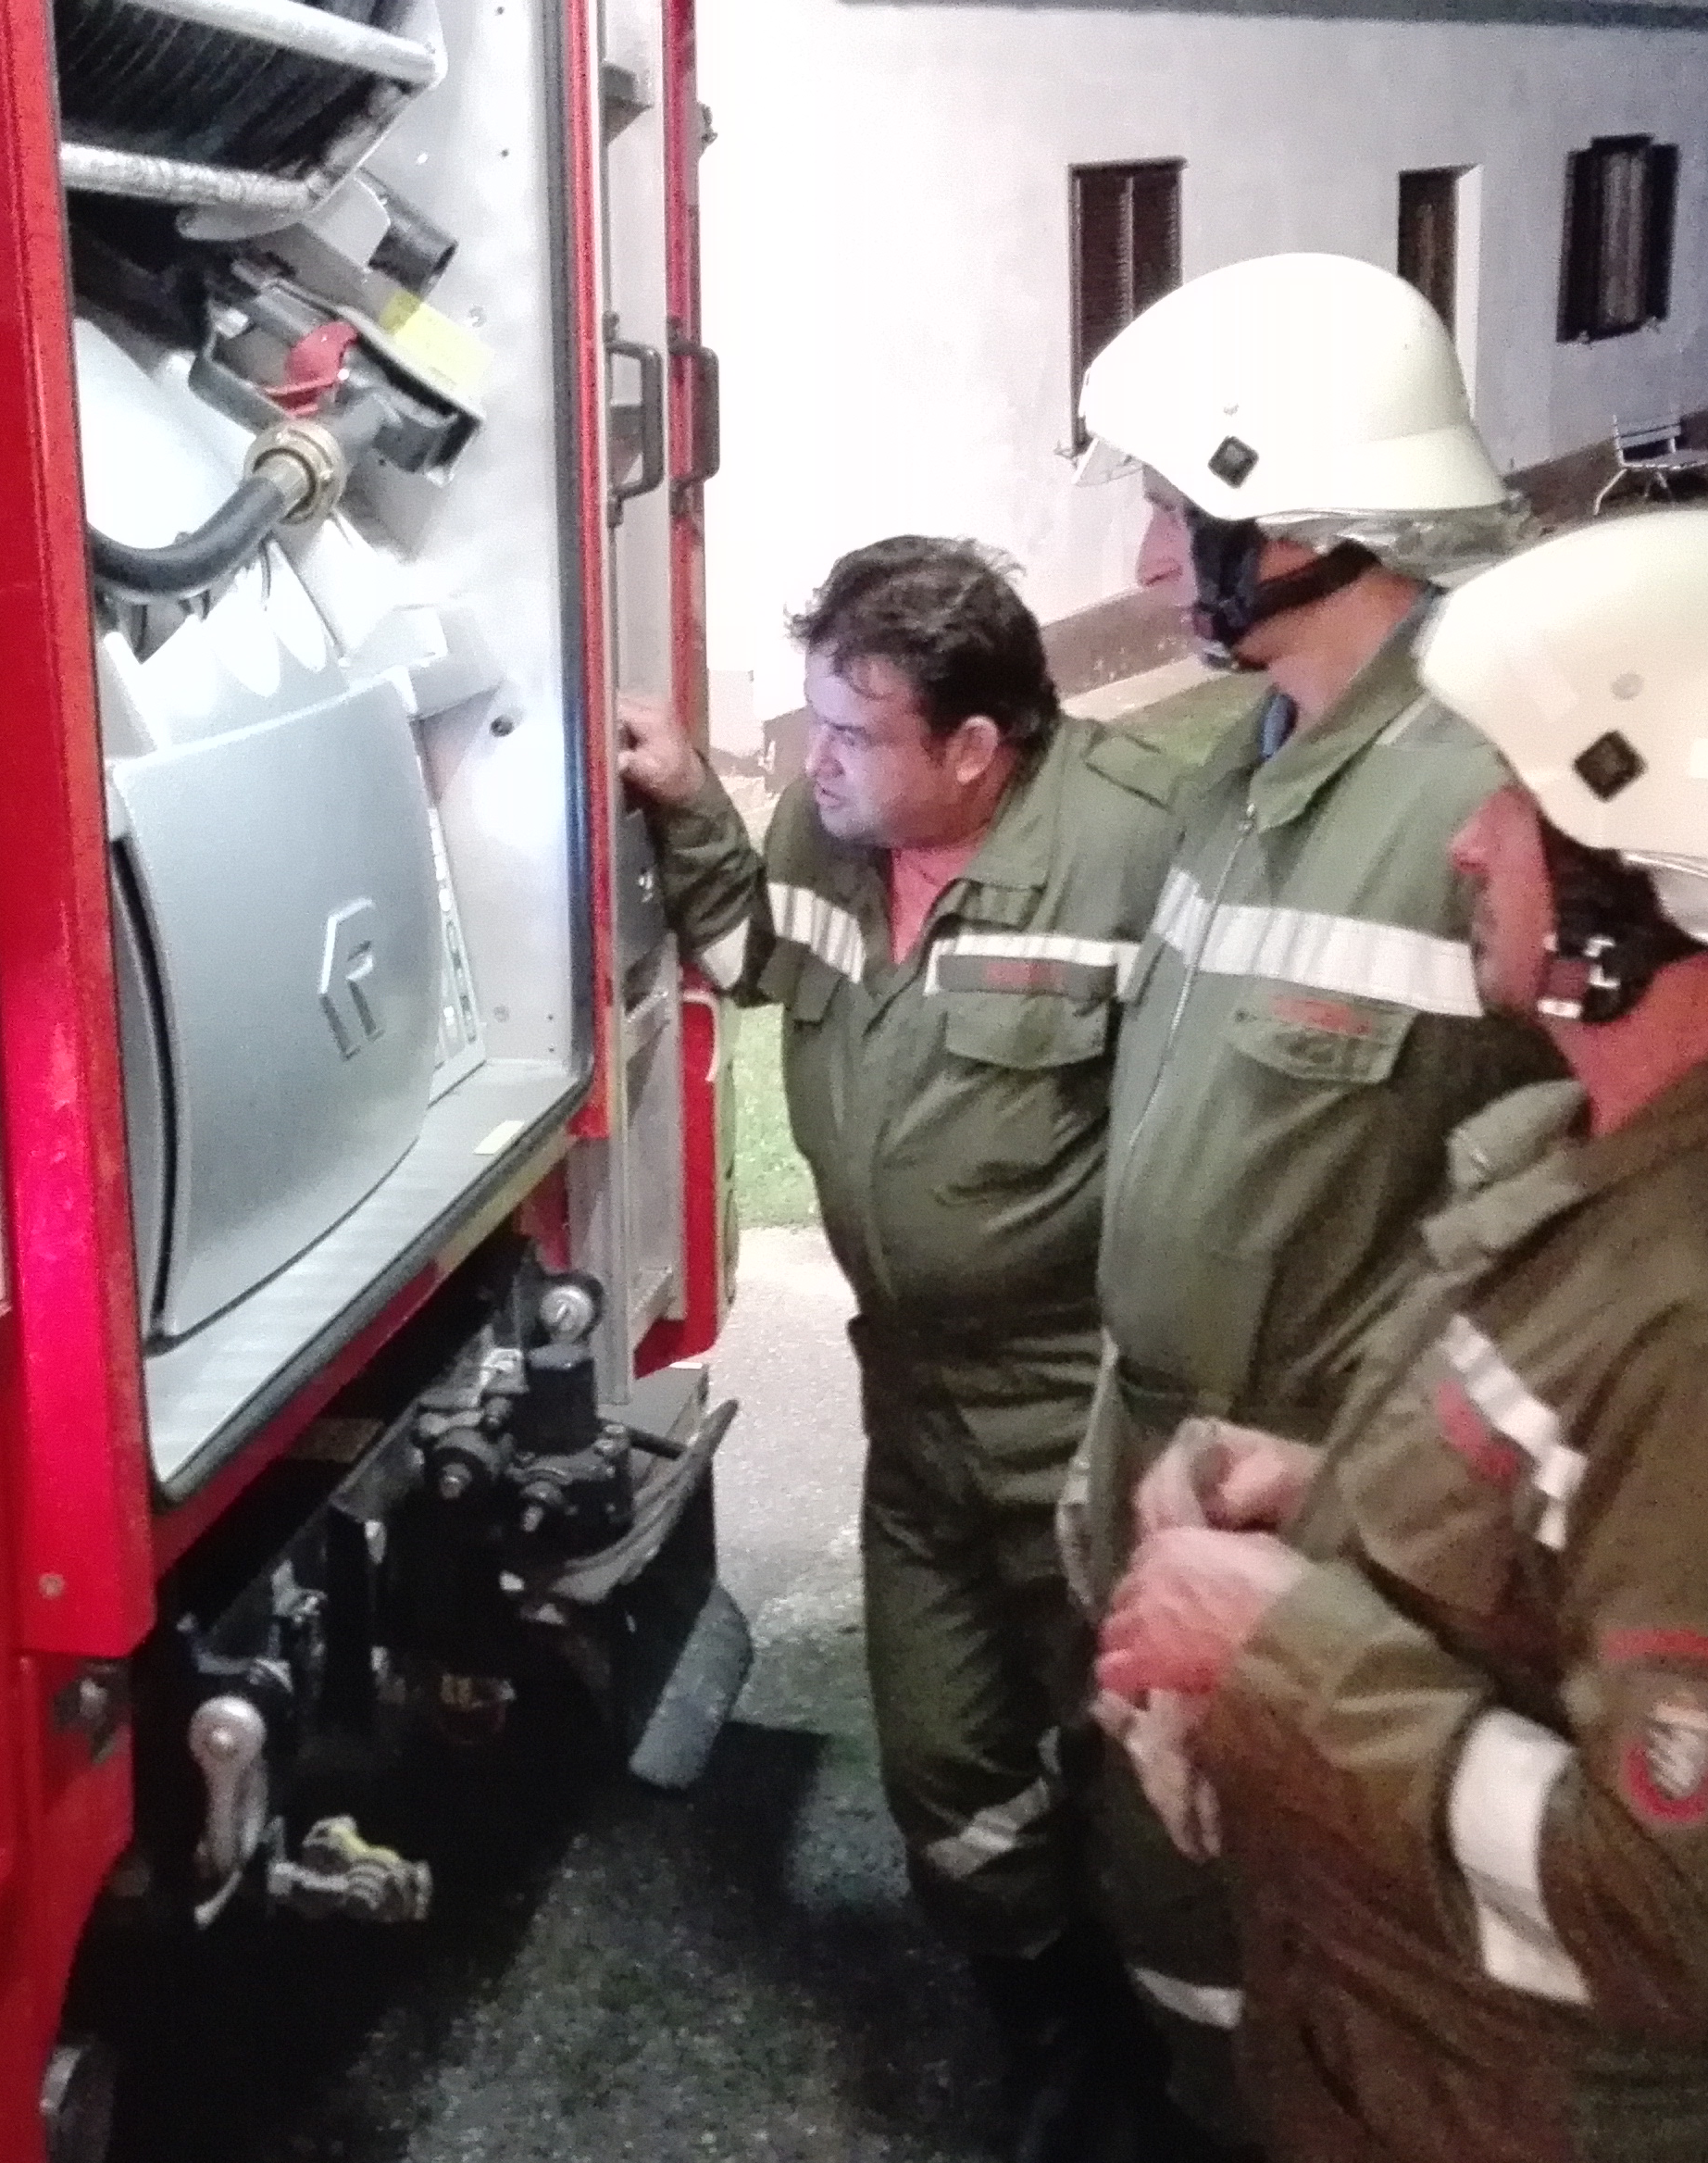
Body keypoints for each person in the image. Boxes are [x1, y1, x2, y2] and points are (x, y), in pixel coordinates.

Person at [1093, 507, 1708, 2161]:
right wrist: (1324, 1496)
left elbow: (1682, 1918)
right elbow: (1568, 1517)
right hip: (1400, 2067)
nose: (1466, 845)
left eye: (1516, 801)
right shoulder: (1624, 1155)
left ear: (1644, 878)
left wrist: (1279, 1648)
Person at [1057, 252, 1565, 2141]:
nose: (1143, 557)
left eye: (1172, 508)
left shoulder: (1484, 809)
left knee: (1314, 1947)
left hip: (1330, 1525)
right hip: (1159, 1458)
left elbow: (1568, 1239)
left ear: (1293, 525)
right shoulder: (1245, 769)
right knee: (1172, 1895)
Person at [617, 537, 1186, 2160]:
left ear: (977, 749)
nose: (817, 763)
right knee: (946, 1762)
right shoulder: (836, 824)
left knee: (1149, 1776)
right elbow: (757, 955)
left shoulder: (1141, 850)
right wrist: (690, 803)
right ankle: (1043, 2028)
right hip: (914, 1403)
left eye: (856, 736)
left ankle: (1170, 2079)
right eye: (815, 723)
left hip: (1084, 1410)